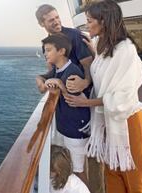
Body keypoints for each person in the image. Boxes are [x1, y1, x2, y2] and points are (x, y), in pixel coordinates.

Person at [65, 1, 142, 193]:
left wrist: (86, 102)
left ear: (104, 22)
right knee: (112, 175)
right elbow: (102, 77)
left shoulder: (126, 49)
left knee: (133, 180)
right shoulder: (102, 49)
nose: (86, 25)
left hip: (128, 121)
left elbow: (121, 97)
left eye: (90, 20)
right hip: (110, 122)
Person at [36, 33, 91, 185]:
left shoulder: (72, 72)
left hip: (76, 129)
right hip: (66, 126)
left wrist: (60, 84)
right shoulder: (58, 69)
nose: (45, 54)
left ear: (61, 51)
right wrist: (41, 81)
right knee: (70, 168)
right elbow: (42, 77)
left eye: (48, 50)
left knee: (78, 171)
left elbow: (73, 101)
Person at [36, 4, 93, 93]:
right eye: (51, 20)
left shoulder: (75, 35)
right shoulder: (46, 45)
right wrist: (40, 78)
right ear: (41, 24)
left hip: (82, 93)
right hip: (63, 94)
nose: (56, 21)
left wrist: (85, 82)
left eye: (57, 17)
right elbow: (53, 70)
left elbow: (88, 63)